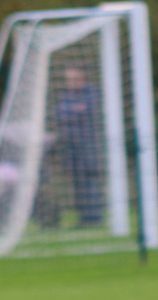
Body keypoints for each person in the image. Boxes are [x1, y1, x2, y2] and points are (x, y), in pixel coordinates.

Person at [57, 66, 104, 227]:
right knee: (78, 184)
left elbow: (84, 113)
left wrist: (74, 113)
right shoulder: (66, 96)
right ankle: (84, 218)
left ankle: (94, 218)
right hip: (71, 147)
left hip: (88, 146)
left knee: (90, 182)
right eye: (68, 80)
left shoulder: (91, 93)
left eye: (74, 79)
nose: (70, 83)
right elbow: (62, 115)